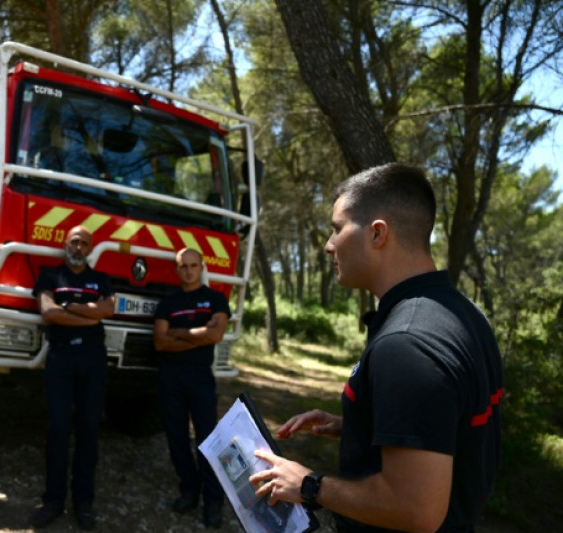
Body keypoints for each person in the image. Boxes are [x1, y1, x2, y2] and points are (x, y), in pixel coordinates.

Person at [248, 163, 503, 532]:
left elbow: (414, 510)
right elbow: (450, 427)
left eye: (337, 228)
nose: (328, 245)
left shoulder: (407, 344)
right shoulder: (464, 313)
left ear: (377, 233)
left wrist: (308, 485)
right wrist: (363, 423)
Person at [29, 226, 114, 531]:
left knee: (89, 429)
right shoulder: (50, 276)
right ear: (66, 244)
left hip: (93, 359)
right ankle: (53, 501)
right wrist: (89, 316)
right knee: (58, 427)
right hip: (61, 358)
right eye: (74, 242)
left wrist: (71, 308)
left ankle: (83, 504)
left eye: (84, 243)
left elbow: (108, 308)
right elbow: (48, 312)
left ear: (90, 249)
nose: (79, 247)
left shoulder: (101, 279)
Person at [153, 248, 230, 529]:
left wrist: (177, 332)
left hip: (200, 377)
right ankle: (189, 490)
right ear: (177, 270)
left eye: (193, 265)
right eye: (183, 266)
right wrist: (199, 335)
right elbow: (160, 343)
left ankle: (213, 501)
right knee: (176, 438)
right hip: (170, 377)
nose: (188, 271)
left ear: (201, 267)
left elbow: (216, 334)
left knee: (208, 439)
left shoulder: (216, 299)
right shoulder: (168, 303)